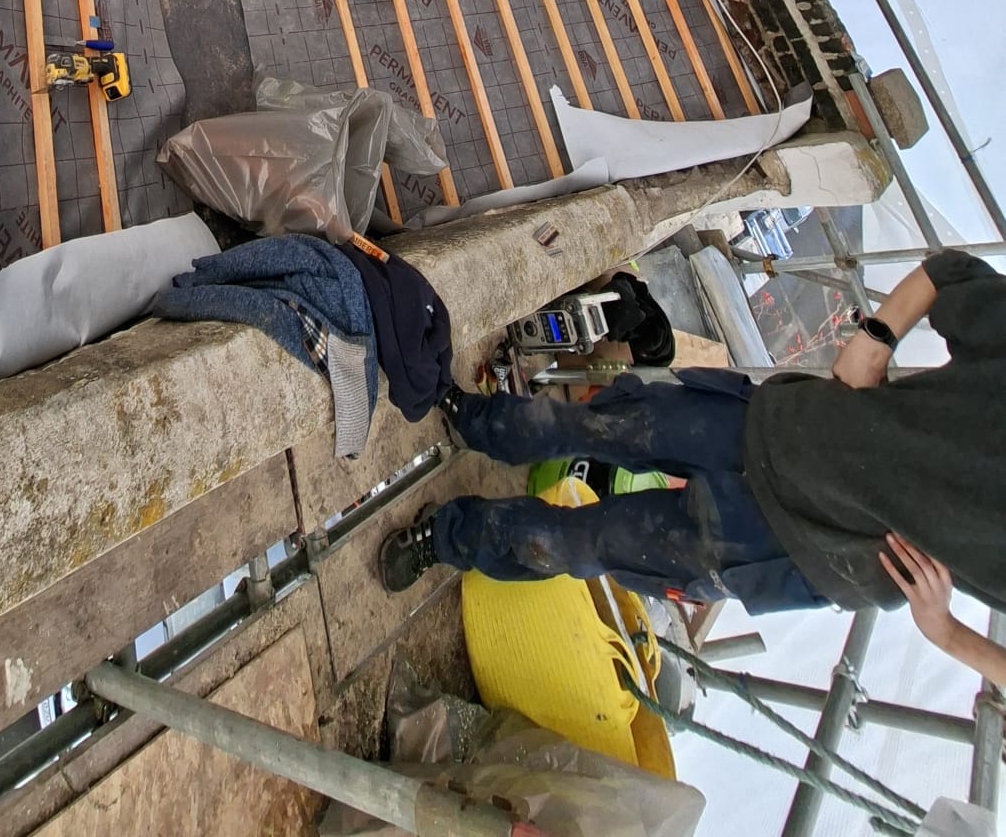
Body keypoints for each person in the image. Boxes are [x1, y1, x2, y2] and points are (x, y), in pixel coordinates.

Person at [378, 250, 1006, 682]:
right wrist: (876, 337)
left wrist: (946, 634)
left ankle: (449, 537)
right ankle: (475, 419)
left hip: (808, 553)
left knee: (580, 544)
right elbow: (951, 273)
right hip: (792, 431)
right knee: (598, 425)